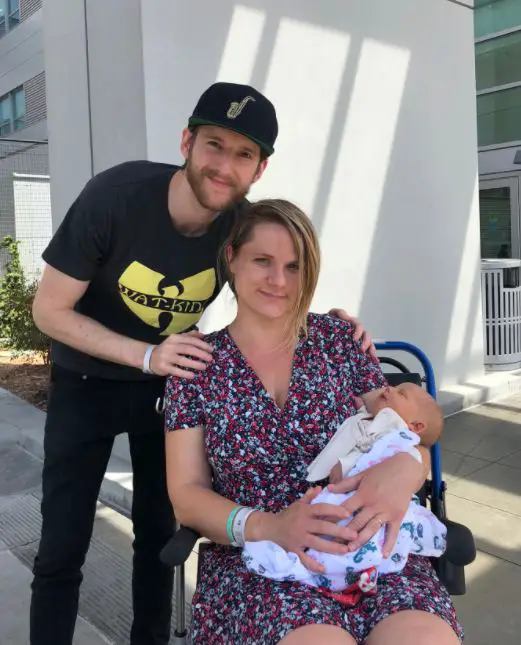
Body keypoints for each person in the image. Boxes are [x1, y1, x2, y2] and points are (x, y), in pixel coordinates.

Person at [30, 81, 371, 645]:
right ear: (187, 141)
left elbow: (280, 272)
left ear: (259, 169)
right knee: (63, 542)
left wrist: (334, 321)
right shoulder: (115, 197)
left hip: (174, 380)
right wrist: (145, 354)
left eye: (244, 154)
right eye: (214, 144)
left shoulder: (238, 224)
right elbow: (49, 310)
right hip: (89, 377)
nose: (224, 166)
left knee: (159, 533)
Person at [164, 198, 463, 645]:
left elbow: (404, 435)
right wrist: (273, 526)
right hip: (261, 564)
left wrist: (407, 469)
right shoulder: (197, 366)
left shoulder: (340, 341)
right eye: (262, 260)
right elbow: (186, 496)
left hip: (371, 552)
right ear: (231, 258)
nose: (278, 280)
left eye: (294, 266)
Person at [242, 383, 447, 601]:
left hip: (365, 498)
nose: (388, 388)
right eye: (395, 387)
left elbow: (377, 453)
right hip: (306, 516)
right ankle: (354, 573)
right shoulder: (375, 415)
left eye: (401, 393)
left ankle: (334, 571)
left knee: (351, 530)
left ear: (415, 426)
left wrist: (350, 464)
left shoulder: (393, 427)